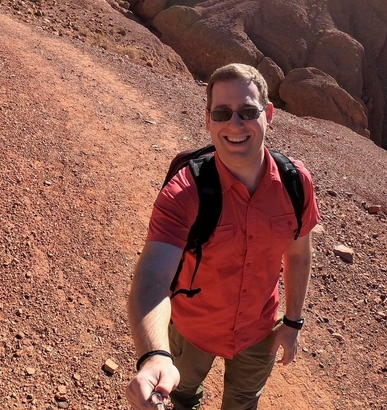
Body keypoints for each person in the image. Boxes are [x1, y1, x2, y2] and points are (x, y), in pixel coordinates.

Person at [127, 63, 319, 410]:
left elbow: (299, 254)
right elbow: (153, 277)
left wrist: (292, 322)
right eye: (222, 113)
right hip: (191, 330)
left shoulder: (295, 183)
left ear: (269, 114)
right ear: (208, 120)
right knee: (182, 397)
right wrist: (155, 356)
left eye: (247, 111)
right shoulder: (185, 191)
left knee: (244, 403)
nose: (235, 124)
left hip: (259, 331)